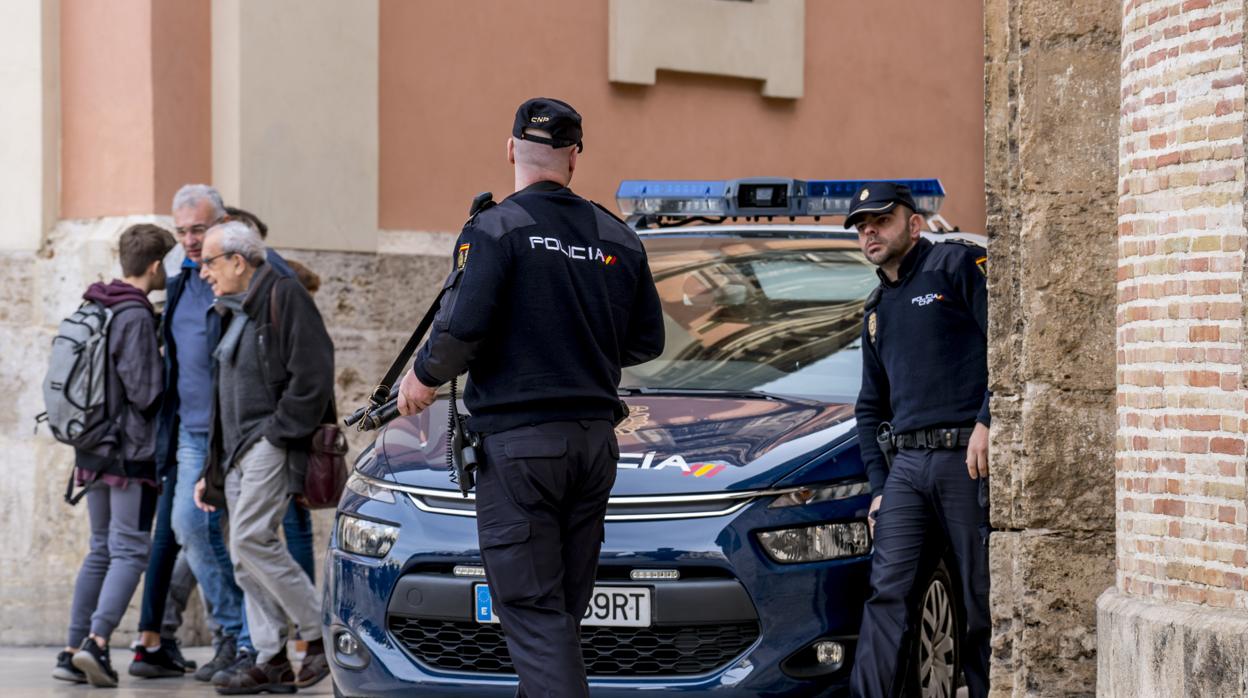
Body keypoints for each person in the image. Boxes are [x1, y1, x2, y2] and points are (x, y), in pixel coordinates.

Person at [397, 97, 665, 697]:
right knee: (558, 617)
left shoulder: (494, 228)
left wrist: (420, 379)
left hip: (522, 451)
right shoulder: (617, 236)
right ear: (575, 157)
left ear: (511, 148)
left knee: (532, 612)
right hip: (594, 447)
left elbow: (460, 330)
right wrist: (575, 346)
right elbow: (647, 341)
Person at [847, 182, 991, 698]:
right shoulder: (875, 309)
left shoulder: (956, 267)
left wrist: (988, 420)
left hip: (965, 460)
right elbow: (870, 407)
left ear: (914, 224)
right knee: (887, 596)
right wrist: (880, 486)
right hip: (907, 467)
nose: (870, 232)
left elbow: (1010, 346)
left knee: (980, 600)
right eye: (862, 226)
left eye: (880, 221)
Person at [194, 221, 334, 693]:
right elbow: (222, 397)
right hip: (235, 453)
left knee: (253, 539)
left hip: (267, 443)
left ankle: (319, 633)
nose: (201, 272)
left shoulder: (283, 294)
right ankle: (271, 657)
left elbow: (313, 372)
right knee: (241, 557)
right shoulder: (232, 309)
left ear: (238, 260)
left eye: (208, 261)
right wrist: (211, 468)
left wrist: (277, 435)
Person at [55, 224, 176, 687]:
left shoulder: (97, 302)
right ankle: (97, 643)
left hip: (91, 447)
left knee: (101, 549)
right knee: (129, 550)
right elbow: (146, 393)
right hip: (127, 452)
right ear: (156, 265)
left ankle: (69, 651)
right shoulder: (134, 315)